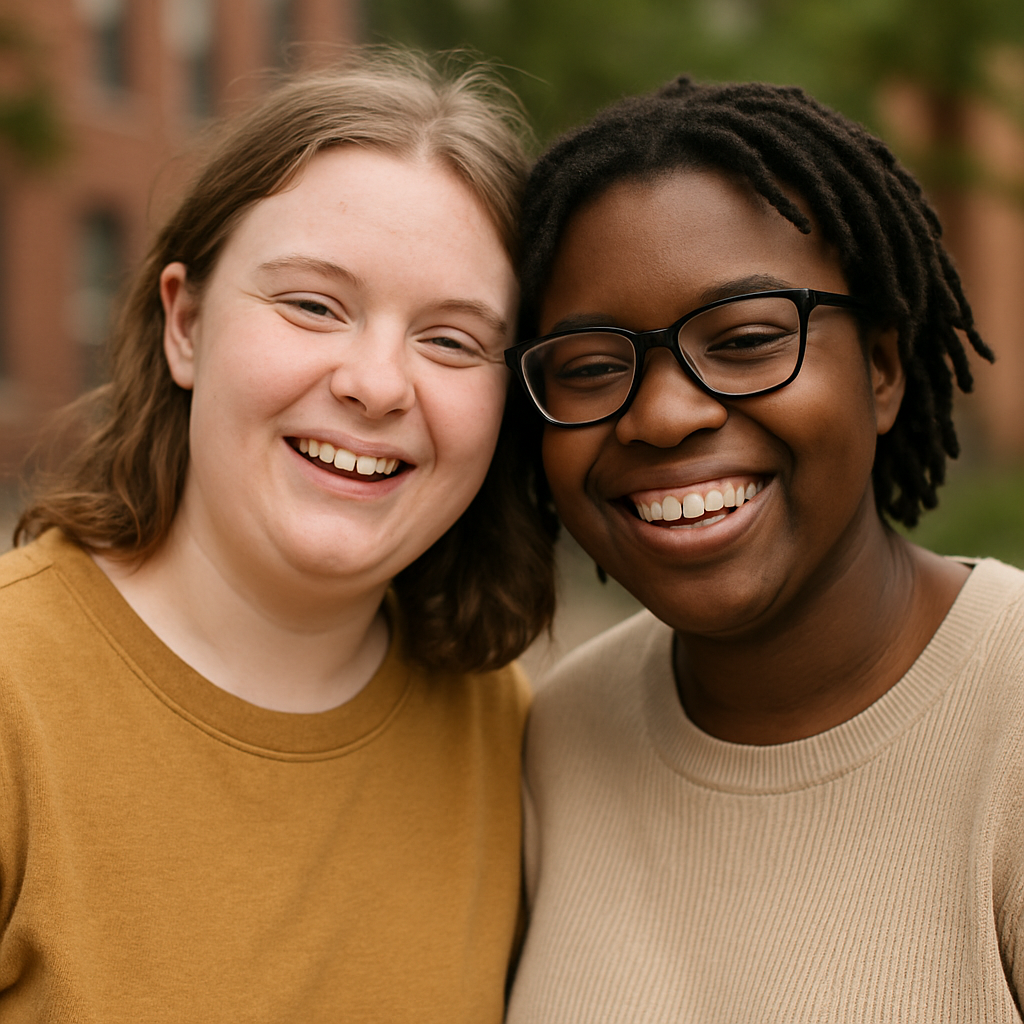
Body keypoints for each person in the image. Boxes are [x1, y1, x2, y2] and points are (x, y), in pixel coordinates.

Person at [0, 50, 555, 1022]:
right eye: (312, 305)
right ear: (185, 323)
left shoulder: (502, 726)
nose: (377, 384)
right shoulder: (15, 698)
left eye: (452, 340)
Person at [504, 77, 1024, 1022]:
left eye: (744, 338)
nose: (661, 415)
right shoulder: (563, 735)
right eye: (589, 367)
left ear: (881, 369)